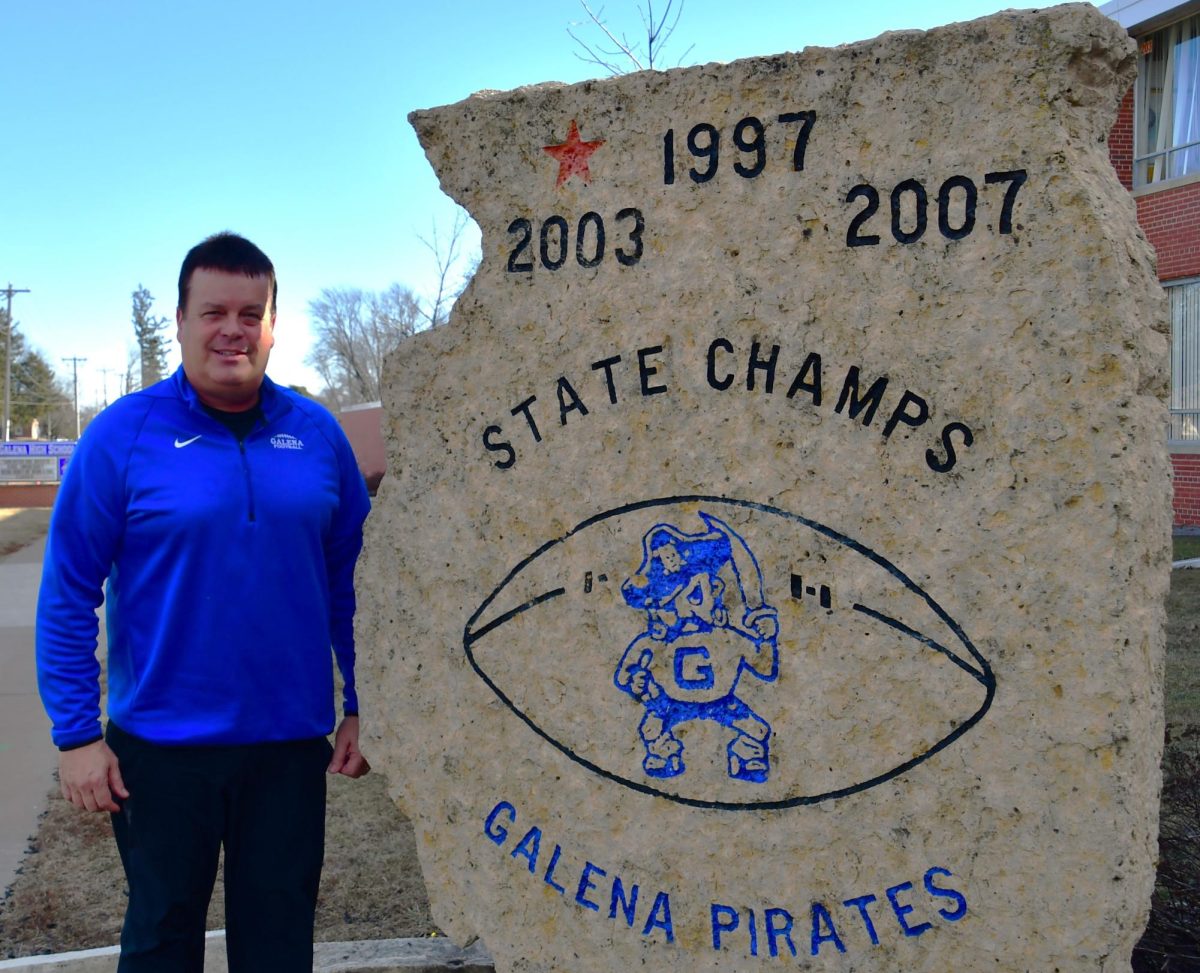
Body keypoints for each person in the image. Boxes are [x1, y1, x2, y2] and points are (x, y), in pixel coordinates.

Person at [35, 232, 372, 973]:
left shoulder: (318, 436)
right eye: (214, 309)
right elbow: (67, 590)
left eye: (252, 312)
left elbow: (357, 582)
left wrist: (363, 703)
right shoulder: (123, 435)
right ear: (182, 320)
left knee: (280, 942)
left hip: (287, 747)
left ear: (274, 325)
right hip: (160, 749)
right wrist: (75, 736)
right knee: (160, 937)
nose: (233, 328)